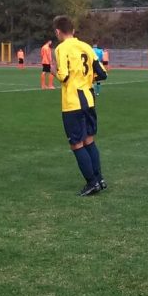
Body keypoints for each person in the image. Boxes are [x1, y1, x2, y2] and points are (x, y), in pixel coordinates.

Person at [53, 15, 107, 197]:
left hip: (73, 102)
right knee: (89, 140)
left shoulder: (61, 48)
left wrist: (53, 72)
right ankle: (99, 179)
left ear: (58, 32)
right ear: (73, 30)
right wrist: (86, 78)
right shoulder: (86, 47)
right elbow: (102, 73)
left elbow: (64, 76)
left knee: (76, 144)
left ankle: (92, 183)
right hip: (89, 99)